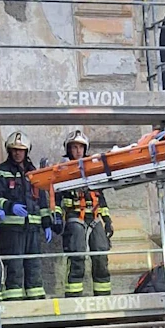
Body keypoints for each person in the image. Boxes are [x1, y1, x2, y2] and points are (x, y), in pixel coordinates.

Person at [0, 130, 52, 301]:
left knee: (34, 264)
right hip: (11, 228)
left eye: (21, 150)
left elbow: (42, 201)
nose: (17, 153)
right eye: (14, 150)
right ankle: (14, 300)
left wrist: (46, 223)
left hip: (32, 228)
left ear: (27, 151)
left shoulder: (33, 173)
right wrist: (10, 206)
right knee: (14, 265)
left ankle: (36, 300)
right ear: (9, 150)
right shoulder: (1, 171)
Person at [58, 128, 113, 299]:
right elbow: (57, 199)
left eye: (80, 147)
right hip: (75, 217)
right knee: (77, 256)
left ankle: (103, 297)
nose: (78, 151)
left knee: (101, 255)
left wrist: (107, 220)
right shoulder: (63, 171)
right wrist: (57, 218)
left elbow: (100, 198)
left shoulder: (93, 168)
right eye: (74, 147)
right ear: (68, 149)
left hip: (94, 217)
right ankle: (74, 297)